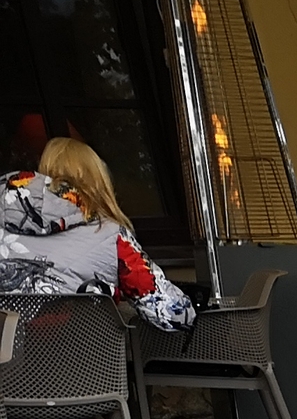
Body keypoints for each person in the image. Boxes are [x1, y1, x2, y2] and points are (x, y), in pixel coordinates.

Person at [0, 137, 195, 331]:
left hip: (10, 359)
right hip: (80, 358)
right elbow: (172, 315)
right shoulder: (111, 235)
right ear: (97, 181)